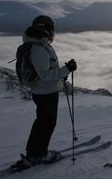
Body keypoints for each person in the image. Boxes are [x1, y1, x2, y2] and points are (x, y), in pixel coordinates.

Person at [22, 15, 77, 163]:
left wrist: (62, 72)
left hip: (43, 90)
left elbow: (46, 70)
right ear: (46, 29)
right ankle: (39, 155)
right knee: (47, 124)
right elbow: (45, 75)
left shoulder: (39, 44)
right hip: (46, 91)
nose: (53, 33)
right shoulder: (38, 48)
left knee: (42, 122)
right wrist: (66, 69)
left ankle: (33, 152)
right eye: (52, 29)